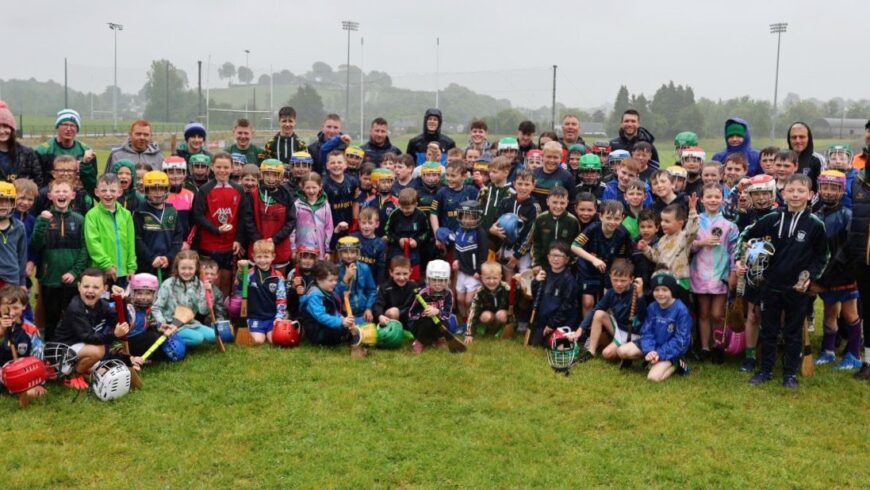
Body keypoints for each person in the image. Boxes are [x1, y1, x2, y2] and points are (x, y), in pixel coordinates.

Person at [737, 174, 829, 389]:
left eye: (800, 191)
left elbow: (822, 256)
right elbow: (746, 236)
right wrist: (742, 260)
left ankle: (790, 374)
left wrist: (809, 276)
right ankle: (766, 370)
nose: (795, 195)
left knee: (793, 332)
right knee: (768, 330)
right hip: (770, 285)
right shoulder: (772, 219)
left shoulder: (815, 224)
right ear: (783, 193)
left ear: (811, 195)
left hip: (797, 289)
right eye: (791, 190)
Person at [812, 171, 862, 370]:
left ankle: (854, 354)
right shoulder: (816, 215)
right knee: (829, 312)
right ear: (819, 188)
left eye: (834, 188)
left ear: (842, 191)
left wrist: (835, 272)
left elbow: (849, 250)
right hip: (825, 276)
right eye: (825, 187)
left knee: (850, 314)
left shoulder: (848, 215)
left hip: (844, 275)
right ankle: (828, 351)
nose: (829, 192)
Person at [53, 268, 132, 388]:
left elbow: (122, 322)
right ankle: (72, 375)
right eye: (86, 286)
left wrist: (121, 300)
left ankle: (82, 370)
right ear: (79, 287)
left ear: (104, 289)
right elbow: (89, 338)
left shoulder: (102, 305)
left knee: (104, 369)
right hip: (63, 351)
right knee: (98, 351)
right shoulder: (75, 308)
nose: (90, 291)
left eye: (95, 287)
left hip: (81, 349)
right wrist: (114, 335)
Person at [31, 180, 87, 340]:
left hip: (73, 279)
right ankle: (49, 348)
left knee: (72, 315)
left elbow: (84, 249)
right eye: (57, 191)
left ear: (73, 196)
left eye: (65, 191)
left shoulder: (79, 220)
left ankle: (71, 346)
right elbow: (36, 244)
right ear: (50, 196)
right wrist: (42, 223)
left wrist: (74, 272)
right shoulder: (43, 218)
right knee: (51, 317)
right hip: (50, 278)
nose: (61, 194)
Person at [691, 183, 738, 363]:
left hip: (720, 275)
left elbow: (735, 251)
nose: (712, 200)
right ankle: (704, 347)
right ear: (702, 199)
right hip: (699, 273)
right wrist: (701, 243)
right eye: (708, 197)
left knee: (717, 314)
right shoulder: (694, 222)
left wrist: (733, 272)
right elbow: (687, 246)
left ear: (723, 199)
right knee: (703, 313)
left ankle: (718, 345)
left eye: (716, 197)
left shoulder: (730, 226)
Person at [616, 272, 692, 382]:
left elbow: (681, 340)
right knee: (621, 351)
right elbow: (647, 332)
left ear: (672, 291)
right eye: (657, 290)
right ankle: (651, 359)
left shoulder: (681, 310)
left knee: (653, 377)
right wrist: (650, 350)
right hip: (654, 346)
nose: (660, 293)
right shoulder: (652, 307)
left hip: (670, 350)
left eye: (665, 290)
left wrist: (660, 353)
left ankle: (676, 364)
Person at [192, 152, 246, 295]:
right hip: (209, 245)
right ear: (212, 168)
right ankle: (211, 314)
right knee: (211, 282)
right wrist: (216, 230)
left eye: (226, 167)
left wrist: (239, 239)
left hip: (230, 245)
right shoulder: (204, 190)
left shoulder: (239, 190)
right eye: (219, 167)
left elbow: (242, 217)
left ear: (232, 168)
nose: (222, 170)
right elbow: (197, 216)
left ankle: (225, 314)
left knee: (227, 281)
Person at [576, 259, 645, 362]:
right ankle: (591, 351)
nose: (618, 284)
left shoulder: (637, 292)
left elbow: (643, 316)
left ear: (631, 279)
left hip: (636, 333)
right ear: (610, 278)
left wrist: (640, 296)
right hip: (620, 330)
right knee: (599, 314)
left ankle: (634, 352)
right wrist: (580, 329)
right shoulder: (611, 293)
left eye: (623, 280)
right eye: (615, 280)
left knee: (608, 353)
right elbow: (596, 310)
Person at [572, 200, 634, 315]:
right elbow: (575, 246)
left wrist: (613, 275)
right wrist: (594, 259)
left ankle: (608, 329)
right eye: (609, 218)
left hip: (608, 268)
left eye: (616, 218)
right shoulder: (592, 229)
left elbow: (620, 257)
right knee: (588, 302)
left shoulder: (623, 234)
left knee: (608, 301)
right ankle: (587, 330)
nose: (612, 222)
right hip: (587, 266)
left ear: (622, 218)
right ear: (601, 216)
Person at [243, 159, 296, 274]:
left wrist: (275, 239)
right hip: (257, 247)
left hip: (279, 248)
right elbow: (248, 220)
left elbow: (291, 221)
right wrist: (259, 240)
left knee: (278, 283)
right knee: (255, 283)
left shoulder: (287, 195)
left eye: (275, 175)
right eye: (267, 174)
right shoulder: (253, 194)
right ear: (262, 175)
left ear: (281, 176)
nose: (270, 178)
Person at [299, 260, 364, 354]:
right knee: (337, 331)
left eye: (336, 280)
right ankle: (350, 337)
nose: (334, 283)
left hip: (327, 325)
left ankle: (354, 333)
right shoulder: (314, 296)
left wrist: (341, 318)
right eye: (331, 280)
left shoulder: (326, 289)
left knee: (354, 322)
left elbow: (333, 309)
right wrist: (341, 322)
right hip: (316, 331)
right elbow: (321, 316)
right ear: (318, 279)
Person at [638, 195, 700, 291]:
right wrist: (646, 249)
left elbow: (692, 229)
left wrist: (692, 211)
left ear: (680, 223)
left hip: (680, 281)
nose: (662, 224)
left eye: (667, 221)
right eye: (662, 220)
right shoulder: (662, 240)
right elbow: (657, 257)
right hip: (664, 280)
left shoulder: (684, 237)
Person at [85, 174, 136, 288]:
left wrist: (131, 267)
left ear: (120, 192)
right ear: (97, 192)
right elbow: (93, 243)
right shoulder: (92, 215)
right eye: (103, 190)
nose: (108, 194)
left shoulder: (126, 215)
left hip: (122, 272)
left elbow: (130, 243)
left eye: (112, 190)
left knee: (121, 304)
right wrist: (106, 265)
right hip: (101, 272)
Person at [236, 240, 287, 345]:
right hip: (255, 317)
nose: (262, 260)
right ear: (253, 257)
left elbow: (281, 299)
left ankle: (274, 327)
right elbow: (240, 286)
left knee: (275, 340)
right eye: (259, 257)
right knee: (258, 341)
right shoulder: (249, 274)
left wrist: (279, 317)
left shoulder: (278, 277)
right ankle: (252, 328)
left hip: (272, 317)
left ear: (273, 256)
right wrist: (240, 270)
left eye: (266, 256)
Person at [0, 285, 47, 399]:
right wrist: (2, 330)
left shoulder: (30, 329)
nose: (11, 313)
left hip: (21, 372)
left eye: (15, 308)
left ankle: (20, 387)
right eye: (6, 308)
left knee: (32, 392)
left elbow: (38, 356)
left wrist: (37, 381)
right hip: (1, 370)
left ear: (24, 306)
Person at [529, 242, 579, 347]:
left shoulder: (569, 280)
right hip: (544, 321)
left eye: (559, 256)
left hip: (561, 321)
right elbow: (535, 297)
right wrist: (536, 282)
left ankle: (569, 339)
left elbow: (567, 306)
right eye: (553, 255)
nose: (555, 259)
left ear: (567, 260)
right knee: (536, 343)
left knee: (554, 345)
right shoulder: (544, 273)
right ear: (548, 257)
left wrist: (552, 324)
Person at [134, 171, 183, 277]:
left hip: (168, 265)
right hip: (146, 265)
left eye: (161, 188)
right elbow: (137, 240)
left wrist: (168, 257)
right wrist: (151, 258)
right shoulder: (139, 212)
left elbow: (177, 240)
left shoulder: (173, 211)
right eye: (153, 189)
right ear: (146, 190)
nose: (157, 192)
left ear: (166, 190)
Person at [34, 108, 97, 184]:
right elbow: (36, 179)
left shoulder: (86, 151)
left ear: (77, 129)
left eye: (72, 125)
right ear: (57, 127)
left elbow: (92, 181)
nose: (68, 129)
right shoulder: (42, 151)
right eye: (65, 124)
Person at [406, 259, 454, 353]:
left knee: (445, 323)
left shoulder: (448, 294)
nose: (437, 284)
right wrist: (423, 313)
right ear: (428, 279)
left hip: (438, 322)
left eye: (441, 280)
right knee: (427, 321)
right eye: (434, 280)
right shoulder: (422, 294)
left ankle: (438, 339)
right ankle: (420, 341)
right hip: (421, 326)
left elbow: (447, 314)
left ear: (447, 280)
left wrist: (438, 312)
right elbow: (411, 314)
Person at [531, 186, 579, 271]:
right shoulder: (541, 219)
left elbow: (576, 245)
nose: (558, 206)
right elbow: (536, 243)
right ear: (547, 202)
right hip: (543, 264)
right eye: (555, 202)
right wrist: (536, 263)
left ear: (567, 203)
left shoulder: (573, 221)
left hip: (566, 266)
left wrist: (570, 262)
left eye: (562, 203)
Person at [291, 172, 332, 261]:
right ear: (302, 188)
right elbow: (292, 228)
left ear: (320, 187)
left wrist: (327, 250)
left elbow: (328, 228)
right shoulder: (297, 205)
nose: (311, 191)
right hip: (302, 249)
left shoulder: (325, 205)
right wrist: (293, 249)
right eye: (308, 188)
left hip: (319, 250)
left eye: (314, 187)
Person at [334, 236, 376, 323]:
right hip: (343, 314)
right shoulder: (335, 270)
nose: (349, 256)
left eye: (353, 252)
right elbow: (334, 294)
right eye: (345, 252)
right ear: (340, 254)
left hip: (362, 312)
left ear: (358, 253)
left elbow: (372, 291)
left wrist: (368, 308)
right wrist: (345, 279)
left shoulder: (364, 268)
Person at [0, 101, 42, 185]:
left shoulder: (27, 153)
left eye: (5, 126)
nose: (1, 131)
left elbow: (38, 181)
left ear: (12, 129)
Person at [323, 150, 359, 248]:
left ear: (345, 165)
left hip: (349, 224)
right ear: (327, 166)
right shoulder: (324, 184)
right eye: (333, 163)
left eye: (339, 162)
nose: (336, 165)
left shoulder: (352, 181)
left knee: (347, 250)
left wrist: (355, 221)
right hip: (331, 225)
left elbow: (355, 202)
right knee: (332, 251)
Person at [466, 262, 509, 340]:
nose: (491, 281)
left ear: (500, 277)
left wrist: (519, 285)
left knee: (501, 314)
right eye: (488, 278)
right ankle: (485, 326)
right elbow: (473, 311)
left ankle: (501, 328)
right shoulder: (479, 292)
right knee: (485, 316)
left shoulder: (506, 288)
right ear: (482, 278)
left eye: (495, 278)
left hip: (502, 313)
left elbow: (515, 301)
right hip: (488, 314)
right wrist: (469, 334)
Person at [372, 256, 418, 328]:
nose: (402, 278)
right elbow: (378, 305)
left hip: (407, 315)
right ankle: (394, 331)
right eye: (398, 274)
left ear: (410, 272)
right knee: (394, 311)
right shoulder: (385, 287)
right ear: (391, 272)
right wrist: (380, 316)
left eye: (405, 274)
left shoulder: (414, 286)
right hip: (389, 318)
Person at [532, 141, 575, 212]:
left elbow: (571, 202)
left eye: (555, 157)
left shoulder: (567, 176)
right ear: (542, 156)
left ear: (561, 158)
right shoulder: (534, 174)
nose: (551, 160)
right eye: (548, 157)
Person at [163, 156, 195, 244]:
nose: (175, 176)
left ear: (184, 174)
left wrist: (188, 242)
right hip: (166, 245)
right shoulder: (160, 196)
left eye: (179, 172)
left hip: (185, 244)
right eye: (171, 172)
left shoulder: (190, 195)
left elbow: (195, 223)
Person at [786, 122, 823, 191]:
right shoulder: (782, 158)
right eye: (794, 137)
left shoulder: (818, 159)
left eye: (802, 137)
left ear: (809, 139)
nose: (798, 141)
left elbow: (822, 188)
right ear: (789, 139)